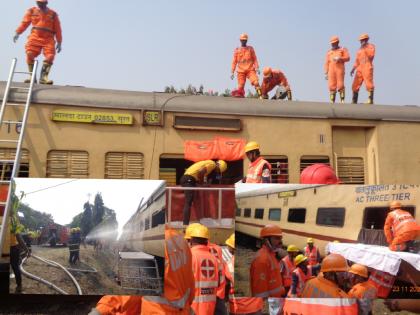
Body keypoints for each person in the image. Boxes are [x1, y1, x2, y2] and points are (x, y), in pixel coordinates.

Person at [90, 226, 195, 315]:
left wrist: (103, 308)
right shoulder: (182, 241)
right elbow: (190, 281)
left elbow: (137, 294)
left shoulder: (164, 245)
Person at [13, 0, 62, 84]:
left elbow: (58, 29)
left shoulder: (53, 14)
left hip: (48, 38)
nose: (39, 4)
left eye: (41, 3)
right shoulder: (31, 11)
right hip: (35, 36)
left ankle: (43, 78)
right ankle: (32, 76)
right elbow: (24, 23)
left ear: (46, 3)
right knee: (29, 53)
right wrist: (18, 32)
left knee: (50, 56)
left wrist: (59, 42)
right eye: (38, 2)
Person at [250, 225, 285, 314]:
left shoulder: (271, 255)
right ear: (266, 240)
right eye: (276, 238)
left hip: (276, 301)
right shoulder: (262, 259)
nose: (280, 241)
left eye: (280, 238)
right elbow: (260, 292)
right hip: (269, 304)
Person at [225, 233, 264, 315]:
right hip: (255, 307)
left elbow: (225, 288)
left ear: (231, 249)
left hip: (238, 308)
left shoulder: (229, 265)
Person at [180, 160, 227, 225]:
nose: (217, 172)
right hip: (188, 179)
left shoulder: (209, 163)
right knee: (188, 202)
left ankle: (195, 221)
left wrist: (202, 183)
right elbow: (201, 172)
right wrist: (202, 183)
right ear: (218, 166)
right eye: (218, 170)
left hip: (190, 179)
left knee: (191, 201)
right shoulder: (212, 164)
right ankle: (185, 224)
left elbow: (199, 173)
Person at [189, 224, 220, 315]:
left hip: (192, 308)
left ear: (192, 240)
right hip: (209, 307)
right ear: (207, 241)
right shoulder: (214, 258)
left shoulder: (190, 256)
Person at [231, 33, 262, 98]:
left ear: (247, 40)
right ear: (240, 40)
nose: (244, 41)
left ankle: (261, 95)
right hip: (241, 71)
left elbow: (254, 59)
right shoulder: (237, 50)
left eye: (245, 40)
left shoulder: (250, 49)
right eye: (242, 40)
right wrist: (232, 72)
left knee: (256, 82)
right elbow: (234, 62)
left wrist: (257, 68)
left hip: (250, 70)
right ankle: (241, 97)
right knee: (240, 87)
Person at [350, 34, 375, 104]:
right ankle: (354, 101)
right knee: (355, 85)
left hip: (367, 66)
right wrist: (353, 68)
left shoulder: (371, 46)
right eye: (360, 40)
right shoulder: (360, 49)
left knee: (369, 83)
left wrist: (365, 48)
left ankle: (370, 100)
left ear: (366, 40)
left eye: (362, 40)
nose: (361, 42)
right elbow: (357, 60)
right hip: (359, 68)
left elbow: (371, 56)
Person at [324, 36, 350, 103]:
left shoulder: (343, 49)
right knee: (331, 85)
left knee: (340, 84)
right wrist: (326, 72)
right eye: (332, 43)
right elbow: (327, 63)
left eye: (334, 43)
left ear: (337, 42)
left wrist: (340, 58)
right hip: (331, 70)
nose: (333, 44)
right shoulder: (329, 52)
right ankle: (332, 101)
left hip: (340, 69)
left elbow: (348, 58)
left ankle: (342, 100)